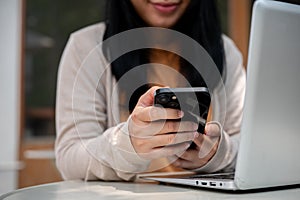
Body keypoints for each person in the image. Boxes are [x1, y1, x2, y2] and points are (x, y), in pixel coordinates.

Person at [55, 0, 246, 181]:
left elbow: (247, 148)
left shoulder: (225, 52)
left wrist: (218, 154)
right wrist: (127, 145)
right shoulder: (86, 47)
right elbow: (70, 158)